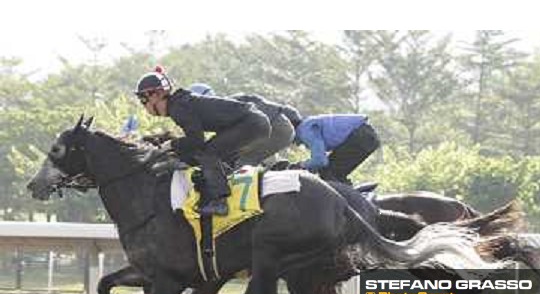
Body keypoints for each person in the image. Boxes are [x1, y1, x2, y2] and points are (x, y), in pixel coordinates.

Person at [134, 68, 271, 216]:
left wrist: (171, 145)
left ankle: (219, 202)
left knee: (206, 153)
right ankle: (228, 186)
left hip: (250, 122)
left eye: (143, 99)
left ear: (157, 94)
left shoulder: (178, 108)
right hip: (253, 121)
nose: (144, 105)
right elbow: (195, 141)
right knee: (210, 153)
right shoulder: (180, 103)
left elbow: (196, 141)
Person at [189, 83, 302, 166]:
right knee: (260, 160)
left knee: (243, 164)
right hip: (281, 126)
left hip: (272, 127)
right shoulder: (229, 102)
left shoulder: (218, 111)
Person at [293, 114, 381, 184]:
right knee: (332, 173)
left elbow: (321, 161)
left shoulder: (304, 130)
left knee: (328, 172)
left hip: (362, 136)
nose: (294, 144)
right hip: (366, 136)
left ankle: (347, 202)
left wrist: (301, 165)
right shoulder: (307, 125)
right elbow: (320, 162)